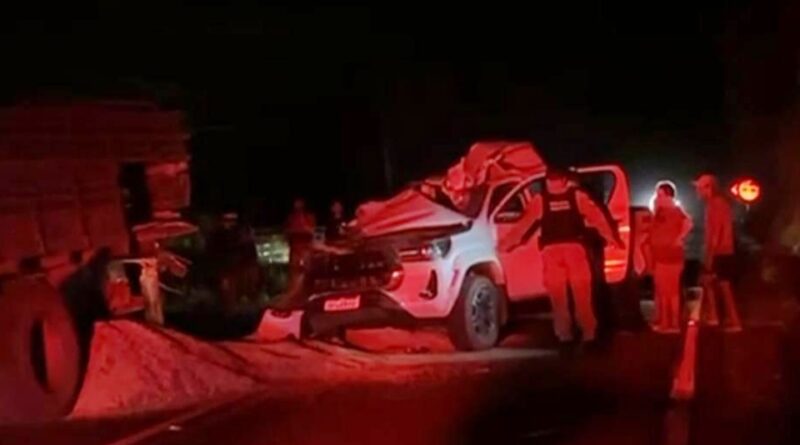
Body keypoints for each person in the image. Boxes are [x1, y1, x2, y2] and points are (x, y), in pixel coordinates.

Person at [499, 168, 624, 348]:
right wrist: (612, 239)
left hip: (554, 253)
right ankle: (588, 336)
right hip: (573, 251)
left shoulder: (541, 200)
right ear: (564, 180)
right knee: (581, 296)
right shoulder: (577, 196)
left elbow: (522, 226)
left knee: (560, 298)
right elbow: (597, 218)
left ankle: (566, 338)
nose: (552, 184)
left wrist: (505, 245)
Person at [694, 173, 743, 332]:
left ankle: (727, 319)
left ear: (708, 188)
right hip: (724, 250)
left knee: (717, 284)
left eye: (700, 188)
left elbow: (716, 232)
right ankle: (719, 317)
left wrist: (709, 255)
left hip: (720, 251)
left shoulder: (715, 204)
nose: (698, 192)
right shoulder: (720, 203)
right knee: (718, 284)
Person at [648, 181, 693, 334]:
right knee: (663, 291)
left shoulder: (675, 211)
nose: (657, 198)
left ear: (669, 196)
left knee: (670, 292)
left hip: (670, 257)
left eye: (660, 195)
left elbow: (688, 223)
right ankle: (666, 321)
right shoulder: (659, 213)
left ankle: (671, 323)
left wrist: (678, 238)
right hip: (660, 256)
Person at [285, 198, 316, 271]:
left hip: (306, 247)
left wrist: (305, 228)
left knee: (307, 269)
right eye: (296, 202)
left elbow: (312, 230)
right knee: (294, 269)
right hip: (295, 247)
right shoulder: (290, 217)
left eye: (300, 202)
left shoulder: (309, 216)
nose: (298, 204)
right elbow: (287, 232)